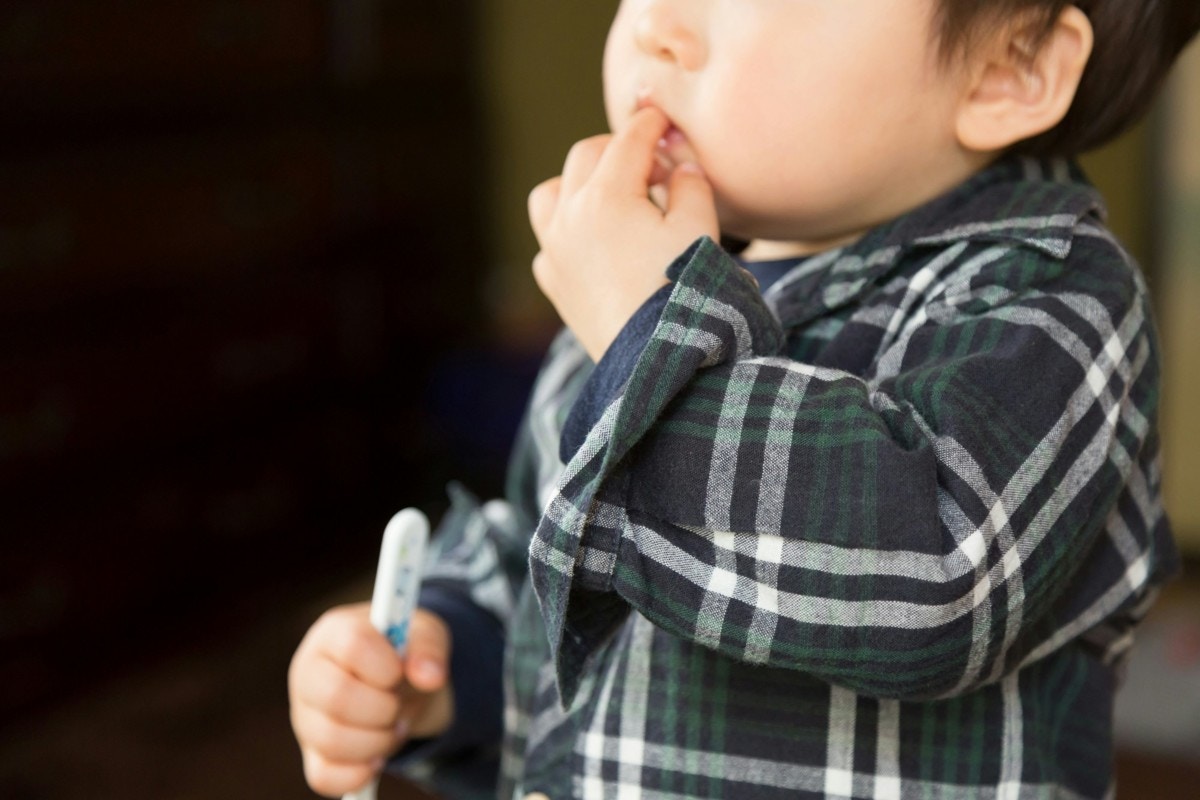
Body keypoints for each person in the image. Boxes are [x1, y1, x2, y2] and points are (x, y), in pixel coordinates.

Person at [289, 1, 1200, 797]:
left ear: (1012, 67)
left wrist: (651, 337)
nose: (657, 27)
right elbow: (556, 561)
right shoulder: (634, 290)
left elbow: (933, 577)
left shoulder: (1051, 302)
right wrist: (443, 662)